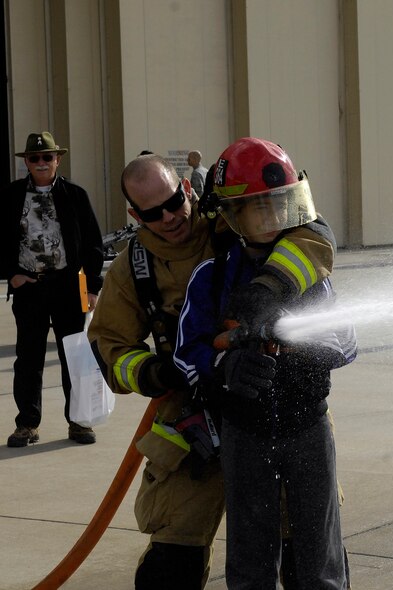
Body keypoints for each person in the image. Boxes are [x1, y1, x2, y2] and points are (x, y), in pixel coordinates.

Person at [175, 137, 354, 588]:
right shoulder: (211, 276)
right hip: (244, 433)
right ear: (233, 215)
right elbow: (185, 351)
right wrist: (223, 368)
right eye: (259, 207)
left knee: (320, 559)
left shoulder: (310, 272)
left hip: (309, 428)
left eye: (280, 203)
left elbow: (346, 342)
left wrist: (302, 341)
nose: (273, 216)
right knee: (251, 559)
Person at [89, 153, 226, 588]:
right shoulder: (133, 267)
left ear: (187, 188)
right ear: (134, 214)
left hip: (270, 407)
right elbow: (110, 347)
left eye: (173, 203)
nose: (169, 218)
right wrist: (153, 373)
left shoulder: (231, 225)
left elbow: (309, 236)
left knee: (305, 547)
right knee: (170, 562)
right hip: (192, 417)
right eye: (152, 213)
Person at [1, 131, 104, 448]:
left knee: (73, 356)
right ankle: (27, 424)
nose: (41, 162)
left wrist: (92, 287)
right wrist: (12, 275)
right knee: (28, 358)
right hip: (30, 289)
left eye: (47, 157)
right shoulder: (12, 195)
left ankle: (78, 421)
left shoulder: (75, 195)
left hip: (66, 287)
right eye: (35, 158)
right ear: (27, 163)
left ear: (58, 159)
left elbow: (92, 244)